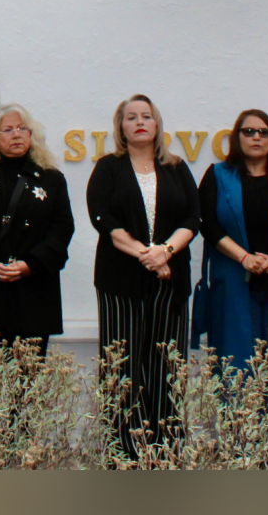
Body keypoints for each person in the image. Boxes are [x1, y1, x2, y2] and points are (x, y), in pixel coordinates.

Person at [86, 94, 200, 453]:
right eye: (130, 117)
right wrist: (147, 255)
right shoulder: (108, 167)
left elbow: (193, 219)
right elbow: (104, 219)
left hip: (171, 280)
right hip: (120, 280)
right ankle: (124, 452)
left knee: (167, 363)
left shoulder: (177, 167)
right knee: (123, 365)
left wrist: (165, 251)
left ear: (157, 124)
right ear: (120, 127)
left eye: (146, 116)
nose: (139, 122)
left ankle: (166, 449)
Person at [192, 109, 268, 388]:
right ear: (237, 137)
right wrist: (243, 257)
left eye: (263, 132)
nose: (256, 137)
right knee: (237, 369)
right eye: (249, 131)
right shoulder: (218, 176)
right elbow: (207, 224)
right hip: (234, 285)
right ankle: (241, 432)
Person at [0, 103, 74, 358]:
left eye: (22, 128)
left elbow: (62, 228)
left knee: (30, 377)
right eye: (7, 129)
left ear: (32, 134)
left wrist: (30, 264)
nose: (16, 134)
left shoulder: (51, 178)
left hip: (36, 290)